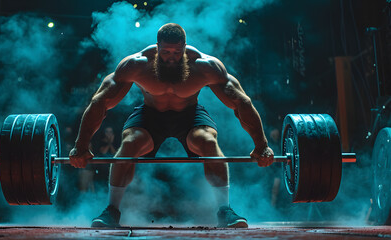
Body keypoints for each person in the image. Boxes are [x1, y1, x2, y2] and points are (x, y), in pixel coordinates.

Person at [69, 23, 274, 228]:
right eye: (166, 52)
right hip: (150, 116)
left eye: (177, 52)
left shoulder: (205, 66)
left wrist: (261, 145)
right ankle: (111, 211)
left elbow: (242, 103)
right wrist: (81, 145)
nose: (171, 57)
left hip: (190, 116)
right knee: (130, 143)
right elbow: (100, 103)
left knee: (208, 141)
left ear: (184, 47)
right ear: (157, 47)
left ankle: (225, 210)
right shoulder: (137, 65)